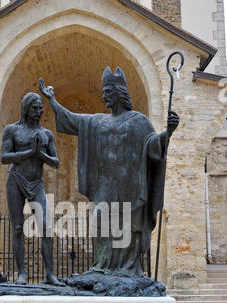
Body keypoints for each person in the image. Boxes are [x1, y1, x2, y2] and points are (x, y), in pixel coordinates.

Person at [39, 67, 179, 277]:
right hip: (104, 188)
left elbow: (153, 147)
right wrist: (52, 99)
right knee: (101, 225)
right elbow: (71, 119)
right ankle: (102, 267)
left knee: (127, 231)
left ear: (118, 93)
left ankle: (128, 270)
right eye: (103, 91)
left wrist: (168, 133)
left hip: (130, 188)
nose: (103, 95)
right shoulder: (97, 121)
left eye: (107, 91)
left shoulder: (139, 121)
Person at [1, 92, 63, 285]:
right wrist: (30, 152)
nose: (38, 111)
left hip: (36, 183)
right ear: (26, 108)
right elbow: (4, 157)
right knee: (18, 227)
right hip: (16, 180)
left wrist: (41, 155)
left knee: (45, 227)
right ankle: (22, 274)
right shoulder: (12, 130)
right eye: (34, 108)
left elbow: (56, 162)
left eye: (40, 108)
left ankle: (50, 274)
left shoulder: (46, 134)